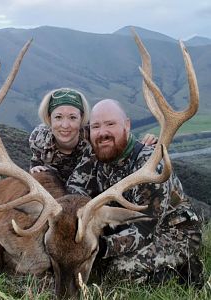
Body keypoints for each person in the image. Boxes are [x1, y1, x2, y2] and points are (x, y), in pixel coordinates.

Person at [66, 99, 203, 286]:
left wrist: (101, 246)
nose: (102, 132)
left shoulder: (149, 166)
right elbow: (75, 189)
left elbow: (145, 229)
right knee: (93, 266)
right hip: (126, 227)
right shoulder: (94, 154)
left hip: (172, 233)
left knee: (116, 273)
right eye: (96, 126)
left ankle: (184, 273)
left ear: (127, 125)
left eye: (110, 124)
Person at [29, 88, 157, 183]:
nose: (65, 125)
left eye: (73, 117)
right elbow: (36, 162)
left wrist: (140, 145)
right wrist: (35, 171)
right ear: (49, 118)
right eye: (58, 117)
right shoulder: (38, 138)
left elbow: (117, 139)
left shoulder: (93, 135)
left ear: (82, 119)